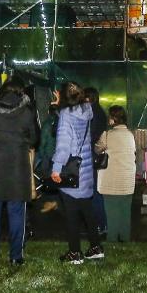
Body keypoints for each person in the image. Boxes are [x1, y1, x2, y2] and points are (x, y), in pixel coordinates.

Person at [0, 77, 40, 265]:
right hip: (17, 166)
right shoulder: (28, 111)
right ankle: (16, 256)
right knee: (17, 213)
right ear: (21, 91)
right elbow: (35, 138)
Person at [51, 82, 102, 263]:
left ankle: (74, 252)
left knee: (71, 215)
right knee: (87, 212)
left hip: (72, 170)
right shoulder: (87, 110)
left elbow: (64, 145)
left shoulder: (67, 115)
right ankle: (95, 247)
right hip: (86, 169)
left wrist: (56, 168)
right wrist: (59, 107)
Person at [94, 104, 136, 242]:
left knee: (112, 215)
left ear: (113, 119)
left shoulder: (107, 135)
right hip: (127, 181)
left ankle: (112, 243)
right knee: (125, 215)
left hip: (111, 182)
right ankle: (126, 241)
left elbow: (97, 149)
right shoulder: (130, 135)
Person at [84, 87, 109, 236]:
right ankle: (101, 224)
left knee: (94, 192)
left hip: (91, 155)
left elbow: (91, 135)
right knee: (95, 191)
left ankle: (100, 224)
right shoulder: (99, 111)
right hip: (95, 155)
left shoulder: (92, 113)